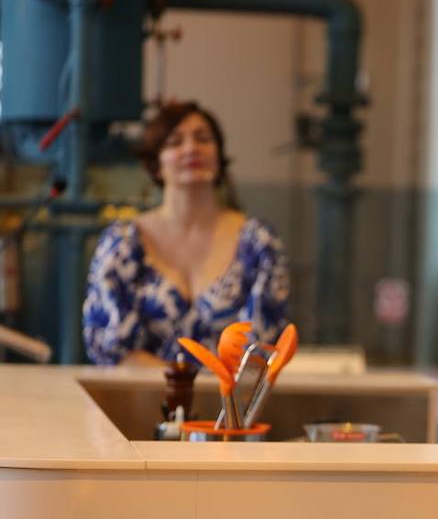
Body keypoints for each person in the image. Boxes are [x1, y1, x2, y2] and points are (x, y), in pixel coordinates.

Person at [83, 101, 289, 366]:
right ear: (156, 163)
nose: (191, 148)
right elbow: (111, 348)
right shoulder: (122, 243)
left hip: (233, 403)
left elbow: (265, 347)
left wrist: (215, 400)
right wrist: (180, 390)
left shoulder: (259, 242)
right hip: (140, 400)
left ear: (219, 157)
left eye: (203, 138)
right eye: (175, 142)